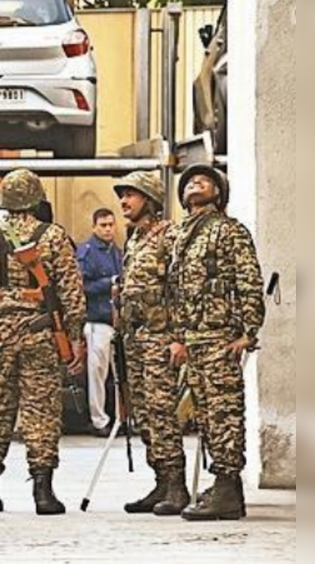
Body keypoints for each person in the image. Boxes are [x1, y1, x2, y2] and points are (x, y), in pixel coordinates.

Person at [0, 169, 86, 517]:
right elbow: (71, 292)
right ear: (37, 198)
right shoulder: (52, 237)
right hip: (40, 333)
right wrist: (75, 336)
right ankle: (43, 492)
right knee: (41, 409)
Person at [169, 165, 265, 522]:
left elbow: (249, 280)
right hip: (194, 338)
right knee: (207, 415)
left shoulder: (229, 230)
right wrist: (179, 336)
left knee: (224, 413)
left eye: (204, 181)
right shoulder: (182, 235)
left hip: (221, 337)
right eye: (190, 181)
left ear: (218, 193)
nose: (195, 183)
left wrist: (249, 330)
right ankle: (227, 488)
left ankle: (227, 487)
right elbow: (177, 292)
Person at [113, 172, 190, 516]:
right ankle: (160, 480)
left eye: (131, 195)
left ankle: (177, 486)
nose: (124, 202)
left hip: (161, 338)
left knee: (162, 412)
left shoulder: (170, 237)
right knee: (143, 412)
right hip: (135, 339)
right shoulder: (134, 240)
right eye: (123, 196)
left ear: (150, 198)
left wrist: (178, 337)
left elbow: (181, 288)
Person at [78, 208, 123, 438]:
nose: (107, 229)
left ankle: (120, 417)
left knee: (120, 373)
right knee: (97, 371)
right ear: (94, 226)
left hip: (117, 321)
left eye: (110, 225)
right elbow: (81, 287)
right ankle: (98, 420)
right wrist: (108, 283)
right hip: (97, 319)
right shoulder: (87, 252)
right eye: (103, 225)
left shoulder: (117, 252)